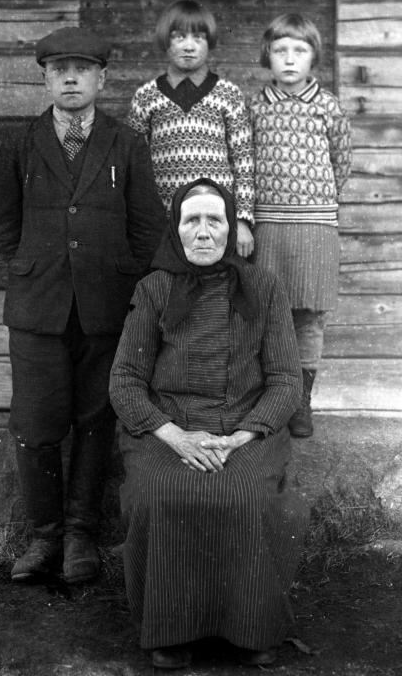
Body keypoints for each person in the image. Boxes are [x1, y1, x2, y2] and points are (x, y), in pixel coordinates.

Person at [109, 178, 309, 670]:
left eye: (214, 220)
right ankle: (170, 630)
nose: (203, 232)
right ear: (176, 230)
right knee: (161, 493)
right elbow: (125, 379)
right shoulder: (154, 289)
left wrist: (242, 435)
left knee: (248, 495)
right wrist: (176, 437)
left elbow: (286, 379)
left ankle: (252, 628)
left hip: (247, 426)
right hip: (168, 427)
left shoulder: (264, 287)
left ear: (231, 227)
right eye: (191, 220)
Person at [0, 26, 165, 585]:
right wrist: (32, 269)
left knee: (95, 419)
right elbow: (4, 225)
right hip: (37, 309)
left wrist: (122, 280)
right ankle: (44, 536)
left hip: (104, 308)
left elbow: (148, 226)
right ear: (45, 78)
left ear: (102, 78)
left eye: (82, 69)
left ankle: (80, 535)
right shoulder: (20, 144)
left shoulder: (126, 143)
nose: (70, 78)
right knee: (36, 422)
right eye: (59, 69)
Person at [250, 13, 352, 438]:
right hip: (269, 228)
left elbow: (341, 162)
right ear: (267, 56)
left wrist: (315, 205)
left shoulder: (328, 107)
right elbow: (246, 164)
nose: (289, 59)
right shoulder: (256, 106)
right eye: (280, 50)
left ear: (314, 57)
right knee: (268, 315)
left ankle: (300, 402)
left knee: (309, 319)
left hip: (315, 229)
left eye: (299, 50)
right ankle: (272, 399)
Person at [127, 0, 255, 258]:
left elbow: (243, 161)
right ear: (166, 41)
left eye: (198, 38)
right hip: (165, 223)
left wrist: (242, 220)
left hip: (217, 221)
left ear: (209, 42)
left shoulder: (228, 94)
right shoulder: (146, 96)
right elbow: (135, 166)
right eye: (179, 37)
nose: (188, 46)